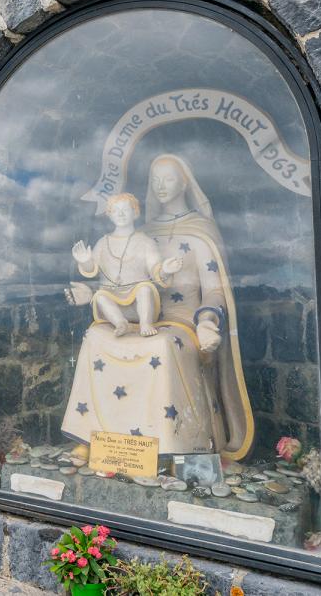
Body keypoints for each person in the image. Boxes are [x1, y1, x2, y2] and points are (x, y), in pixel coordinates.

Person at [61, 154, 253, 463]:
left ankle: (172, 447)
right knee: (95, 338)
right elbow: (114, 278)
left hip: (180, 324)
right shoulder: (140, 232)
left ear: (185, 182)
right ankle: (95, 438)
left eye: (169, 178)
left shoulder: (201, 230)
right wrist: (92, 292)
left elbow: (216, 289)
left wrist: (206, 322)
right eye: (155, 180)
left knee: (162, 346)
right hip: (135, 316)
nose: (161, 186)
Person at [71, 193, 183, 337]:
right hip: (112, 305)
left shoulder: (145, 242)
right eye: (115, 210)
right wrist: (85, 261)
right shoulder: (103, 243)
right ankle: (120, 323)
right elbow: (92, 269)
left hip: (139, 304)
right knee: (99, 296)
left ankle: (145, 324)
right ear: (109, 215)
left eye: (126, 209)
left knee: (144, 287)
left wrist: (166, 271)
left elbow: (155, 269)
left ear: (135, 213)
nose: (121, 214)